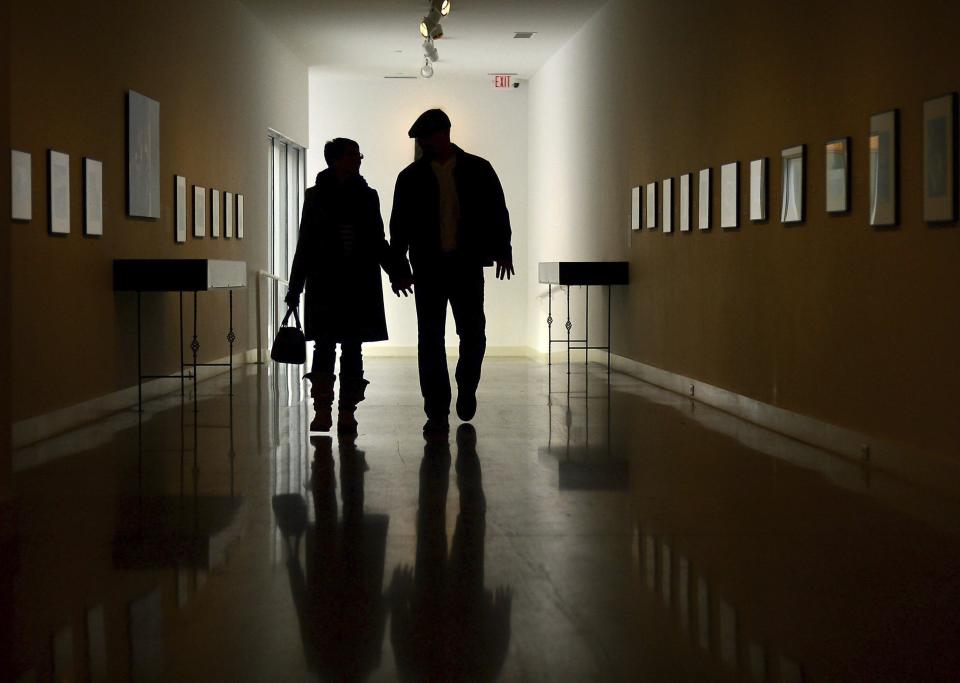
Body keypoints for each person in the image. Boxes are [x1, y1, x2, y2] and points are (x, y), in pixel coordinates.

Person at [389, 109, 515, 438]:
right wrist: (399, 269)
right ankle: (436, 412)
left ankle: (466, 385)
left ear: (444, 133)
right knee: (430, 339)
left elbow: (497, 210)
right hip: (428, 267)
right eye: (421, 139)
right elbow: (398, 227)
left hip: (466, 265)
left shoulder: (477, 169)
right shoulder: (410, 177)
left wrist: (503, 249)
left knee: (473, 335)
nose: (423, 144)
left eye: (426, 137)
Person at [286, 138, 392, 434]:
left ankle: (346, 411)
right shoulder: (316, 197)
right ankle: (324, 410)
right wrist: (295, 288)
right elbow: (305, 244)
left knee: (351, 347)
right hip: (327, 283)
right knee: (326, 346)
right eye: (354, 154)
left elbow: (376, 239)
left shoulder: (367, 196)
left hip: (356, 282)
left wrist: (396, 270)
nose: (359, 158)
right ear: (336, 159)